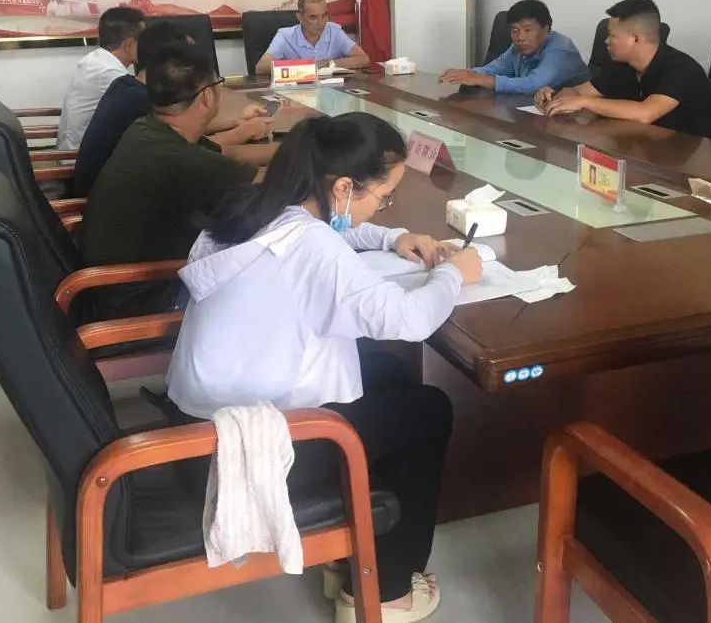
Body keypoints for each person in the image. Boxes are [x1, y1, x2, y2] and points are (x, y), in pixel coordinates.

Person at [166, 112, 483, 623]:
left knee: (387, 376)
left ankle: (349, 554)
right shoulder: (312, 245)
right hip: (242, 453)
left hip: (203, 422)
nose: (382, 207)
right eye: (383, 197)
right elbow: (407, 319)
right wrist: (453, 274)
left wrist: (390, 236)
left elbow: (321, 233)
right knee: (429, 410)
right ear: (342, 188)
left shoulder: (256, 206)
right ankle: (387, 592)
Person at [80, 43, 279, 317]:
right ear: (207, 96)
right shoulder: (179, 159)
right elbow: (271, 185)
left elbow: (228, 154)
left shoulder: (148, 129)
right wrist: (314, 156)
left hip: (115, 286)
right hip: (147, 300)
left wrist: (285, 148)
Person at [73, 23, 273, 195]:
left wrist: (237, 124)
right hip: (87, 200)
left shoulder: (142, 114)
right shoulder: (178, 154)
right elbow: (268, 183)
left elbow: (220, 152)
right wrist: (242, 132)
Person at [534, 0, 711, 138]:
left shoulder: (682, 69)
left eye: (612, 35)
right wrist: (552, 95)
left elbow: (645, 113)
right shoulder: (621, 65)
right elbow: (580, 92)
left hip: (688, 158)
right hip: (639, 147)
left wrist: (584, 102)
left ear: (635, 39)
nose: (606, 41)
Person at [438, 0, 590, 95]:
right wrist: (466, 73)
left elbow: (534, 85)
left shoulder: (560, 50)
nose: (520, 37)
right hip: (534, 111)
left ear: (546, 29)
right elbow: (491, 70)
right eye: (514, 31)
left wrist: (479, 79)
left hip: (579, 119)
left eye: (527, 30)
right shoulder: (517, 48)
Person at [57, 6, 146, 150]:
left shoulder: (95, 59)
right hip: (79, 155)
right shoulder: (110, 72)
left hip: (74, 148)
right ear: (129, 44)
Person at [255, 0, 370, 75]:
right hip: (297, 93)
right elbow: (261, 67)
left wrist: (327, 64)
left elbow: (364, 59)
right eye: (313, 17)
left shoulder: (334, 30)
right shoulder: (285, 36)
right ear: (300, 18)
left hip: (330, 92)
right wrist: (310, 66)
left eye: (324, 15)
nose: (321, 22)